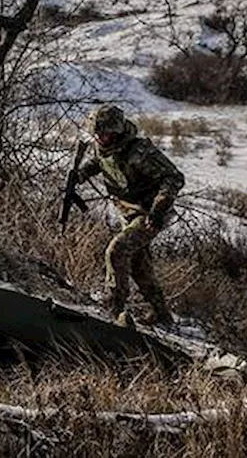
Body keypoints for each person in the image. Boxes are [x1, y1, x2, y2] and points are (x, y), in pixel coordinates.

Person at [78, 104, 184, 327]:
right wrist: (82, 173)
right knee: (138, 264)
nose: (100, 138)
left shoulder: (139, 152)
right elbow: (100, 161)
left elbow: (174, 177)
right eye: (97, 133)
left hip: (150, 214)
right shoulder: (103, 145)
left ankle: (114, 309)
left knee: (116, 250)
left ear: (117, 131)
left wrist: (159, 208)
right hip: (128, 212)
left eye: (105, 133)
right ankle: (162, 315)